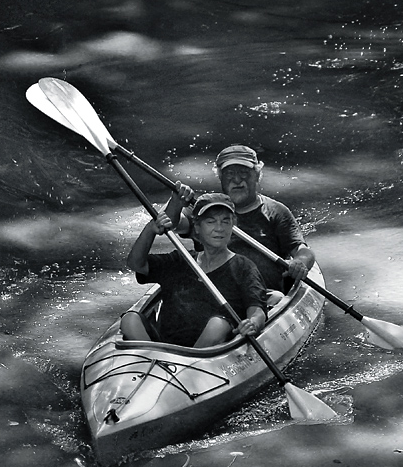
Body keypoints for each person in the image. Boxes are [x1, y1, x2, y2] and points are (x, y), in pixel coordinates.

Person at [120, 191, 267, 348]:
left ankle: (182, 367)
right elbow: (136, 264)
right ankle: (148, 359)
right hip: (162, 349)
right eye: (210, 222)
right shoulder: (180, 260)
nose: (219, 228)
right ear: (197, 227)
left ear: (233, 225)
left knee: (218, 325)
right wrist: (150, 230)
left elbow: (257, 309)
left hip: (209, 353)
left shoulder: (244, 267)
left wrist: (252, 323)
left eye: (225, 221)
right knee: (129, 319)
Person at [167, 144, 316, 295]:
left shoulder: (276, 211)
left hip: (263, 298)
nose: (237, 180)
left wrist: (300, 262)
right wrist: (175, 203)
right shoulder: (203, 208)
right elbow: (169, 224)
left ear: (257, 175)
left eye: (244, 173)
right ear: (220, 177)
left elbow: (303, 250)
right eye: (230, 174)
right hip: (212, 296)